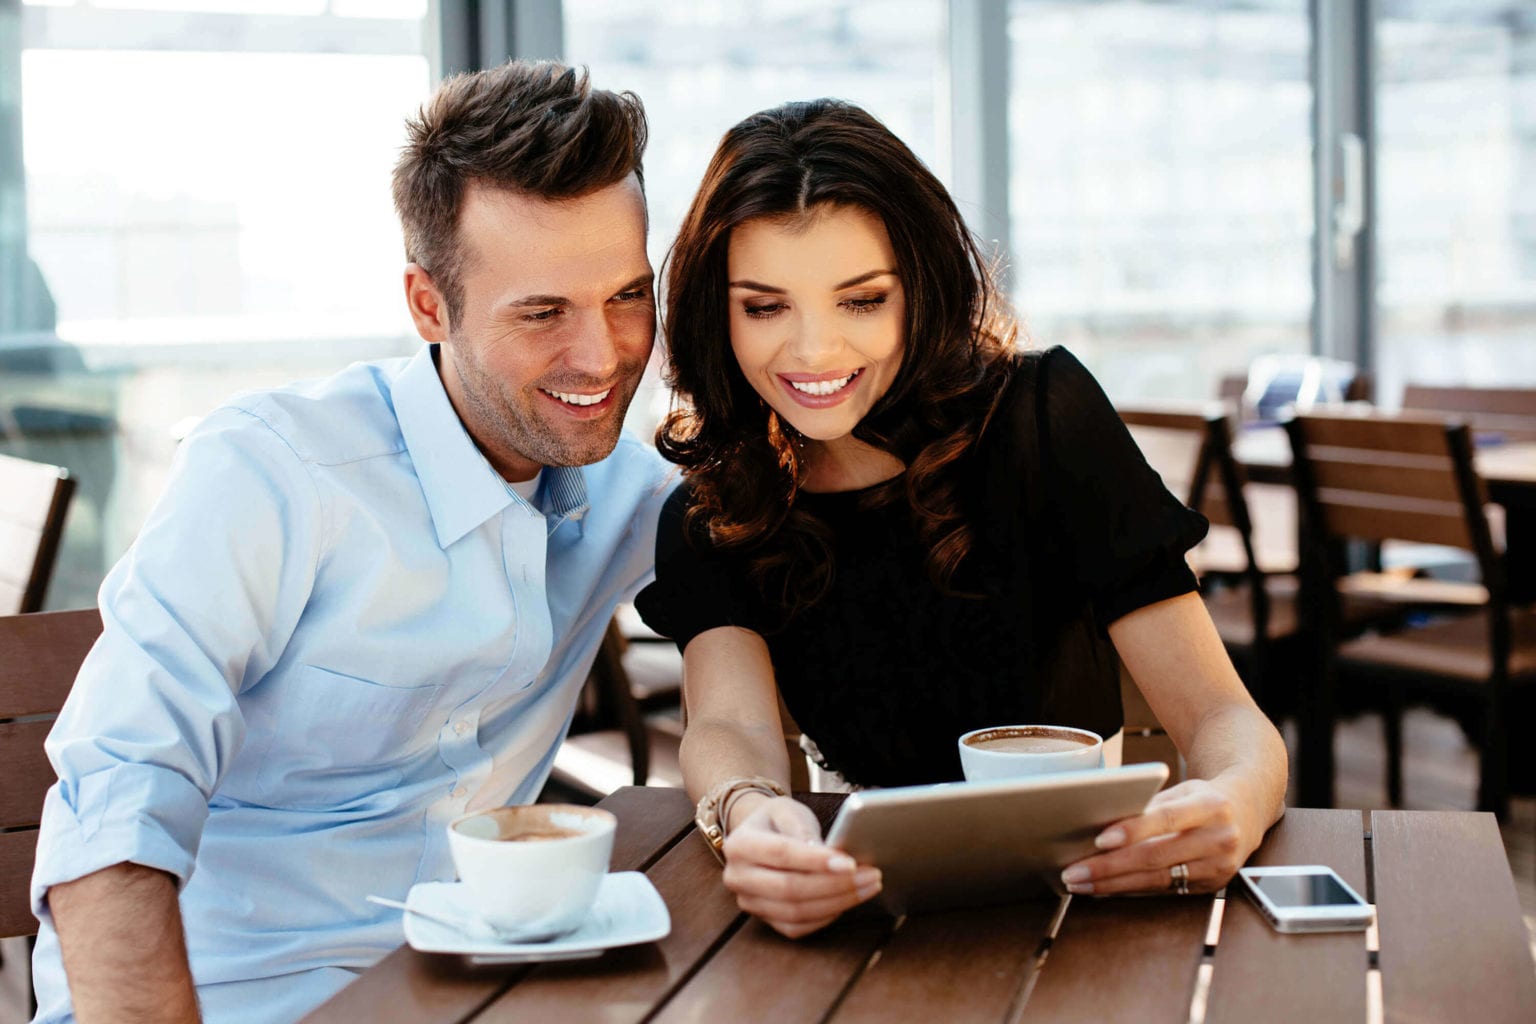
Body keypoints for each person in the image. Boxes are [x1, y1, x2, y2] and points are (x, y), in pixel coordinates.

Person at [30, 60, 674, 1024]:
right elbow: (117, 791)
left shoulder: (634, 492)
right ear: (428, 305)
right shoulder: (272, 472)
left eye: (627, 295)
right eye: (542, 313)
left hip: (481, 981)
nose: (604, 354)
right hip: (229, 991)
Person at [634, 99, 1288, 939]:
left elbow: (1225, 720)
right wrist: (747, 814)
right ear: (715, 313)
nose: (814, 353)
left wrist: (1234, 800)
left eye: (861, 300)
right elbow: (728, 726)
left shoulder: (1042, 417)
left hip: (1093, 906)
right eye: (765, 307)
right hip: (880, 920)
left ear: (920, 289)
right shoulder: (711, 508)